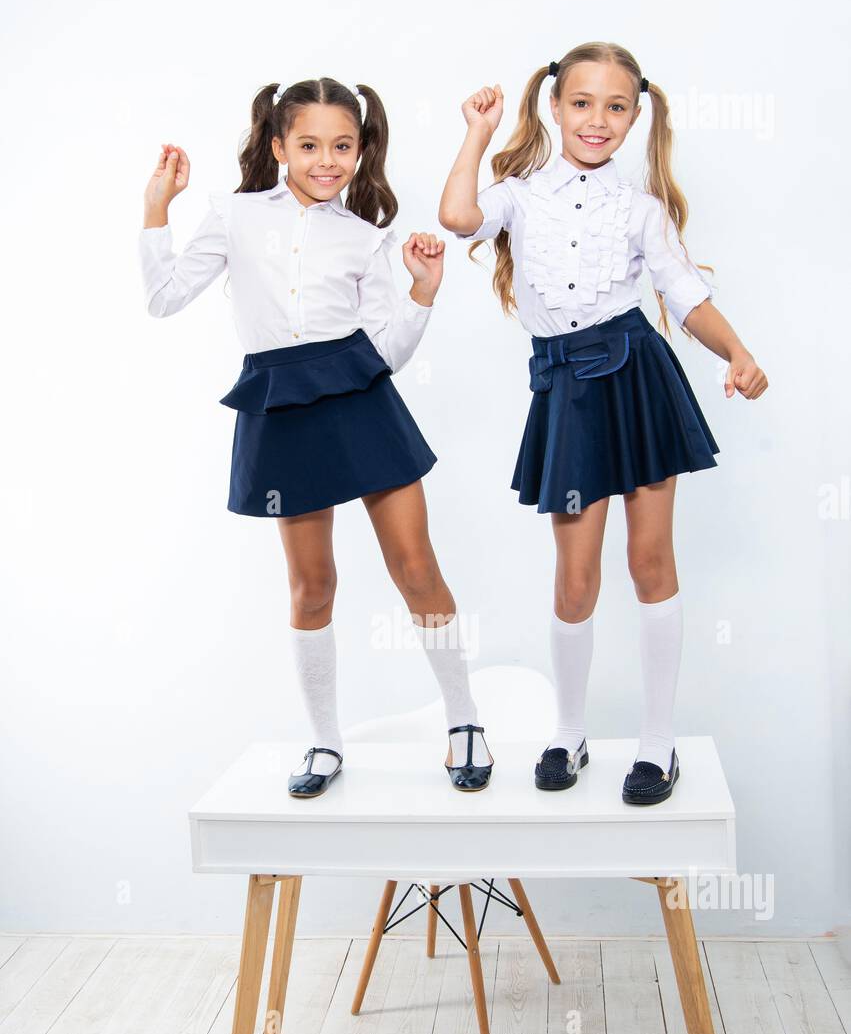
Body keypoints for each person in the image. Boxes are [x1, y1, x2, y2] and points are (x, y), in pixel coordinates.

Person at [139, 76, 494, 797]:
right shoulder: (234, 217)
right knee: (311, 585)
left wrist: (424, 286)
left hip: (362, 402)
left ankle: (463, 721)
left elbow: (387, 351)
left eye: (341, 146)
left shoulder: (366, 238)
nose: (325, 160)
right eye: (308, 145)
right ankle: (324, 741)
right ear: (277, 147)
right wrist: (156, 209)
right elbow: (163, 297)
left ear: (361, 151)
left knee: (415, 567)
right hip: (281, 405)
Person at [439, 42, 768, 804]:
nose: (596, 119)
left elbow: (683, 296)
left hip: (637, 375)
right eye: (581, 102)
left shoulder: (640, 209)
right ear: (553, 107)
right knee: (574, 576)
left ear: (634, 116)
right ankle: (568, 732)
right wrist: (476, 133)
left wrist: (738, 352)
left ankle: (657, 746)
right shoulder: (517, 195)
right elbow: (458, 217)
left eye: (615, 106)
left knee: (649, 562)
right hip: (566, 390)